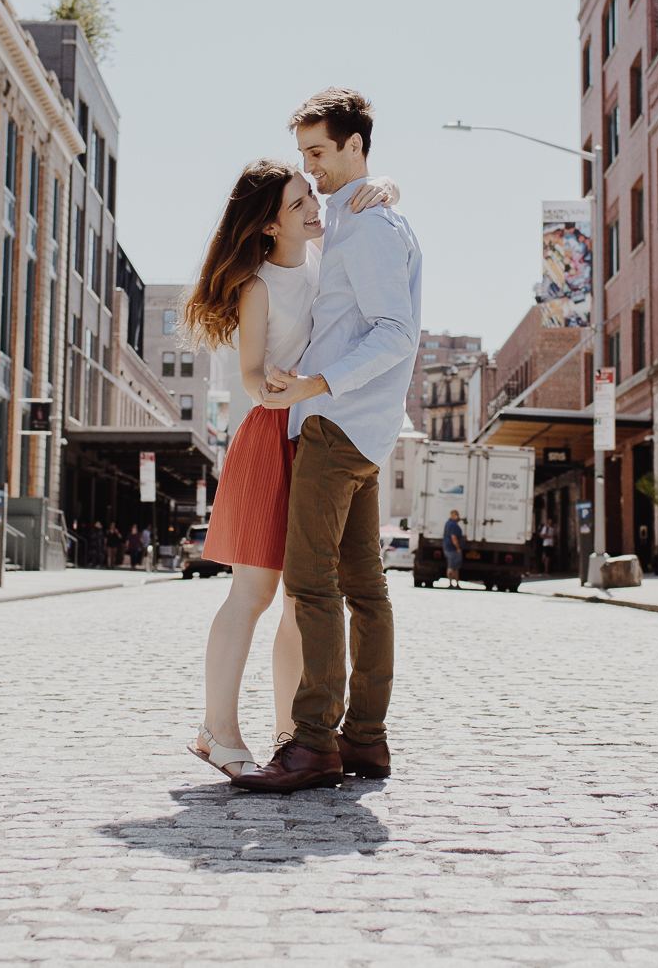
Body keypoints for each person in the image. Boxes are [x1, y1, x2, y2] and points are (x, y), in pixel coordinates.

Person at [180, 157, 400, 780]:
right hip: (272, 434)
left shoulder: (323, 259)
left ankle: (291, 735)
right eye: (299, 201)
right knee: (253, 592)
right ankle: (217, 731)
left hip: (318, 433)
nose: (314, 207)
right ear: (269, 226)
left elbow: (375, 211)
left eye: (311, 195)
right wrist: (273, 384)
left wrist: (389, 186)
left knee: (304, 602)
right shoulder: (257, 286)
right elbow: (251, 373)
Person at [235, 89, 421, 794]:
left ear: (354, 146)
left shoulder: (369, 226)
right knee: (366, 590)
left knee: (312, 584)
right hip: (364, 428)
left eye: (318, 152)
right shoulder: (362, 214)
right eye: (304, 154)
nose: (309, 170)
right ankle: (365, 739)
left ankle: (312, 742)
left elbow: (395, 333)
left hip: (338, 423)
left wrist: (315, 386)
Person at [442, 509, 467, 588]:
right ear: (452, 515)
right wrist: (458, 547)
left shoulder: (448, 523)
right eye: (456, 515)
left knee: (452, 565)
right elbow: (453, 537)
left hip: (447, 547)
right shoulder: (454, 525)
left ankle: (453, 583)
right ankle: (453, 583)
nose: (458, 517)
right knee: (453, 567)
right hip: (453, 548)